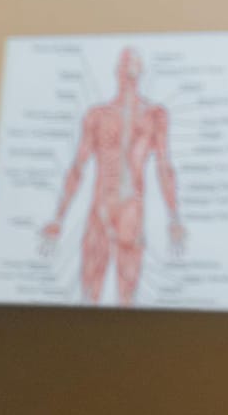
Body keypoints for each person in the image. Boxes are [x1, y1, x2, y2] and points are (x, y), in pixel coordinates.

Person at [41, 47, 185, 305]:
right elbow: (78, 167)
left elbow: (165, 167)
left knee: (126, 300)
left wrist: (174, 217)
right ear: (117, 73)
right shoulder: (97, 116)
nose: (128, 76)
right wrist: (57, 219)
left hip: (131, 213)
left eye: (133, 70)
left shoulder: (154, 115)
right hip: (100, 210)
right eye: (125, 69)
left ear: (139, 73)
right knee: (89, 297)